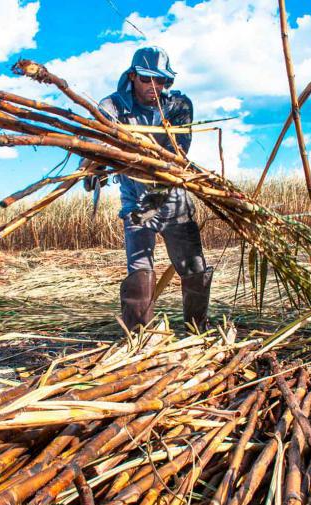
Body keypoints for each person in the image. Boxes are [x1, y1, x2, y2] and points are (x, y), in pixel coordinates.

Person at [81, 46, 213, 332]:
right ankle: (140, 337)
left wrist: (136, 152)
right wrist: (93, 166)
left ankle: (198, 331)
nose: (155, 86)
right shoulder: (113, 107)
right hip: (137, 205)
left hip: (173, 200)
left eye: (162, 81)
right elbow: (95, 142)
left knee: (193, 267)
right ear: (132, 76)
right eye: (147, 79)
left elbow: (178, 152)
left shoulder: (178, 106)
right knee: (140, 269)